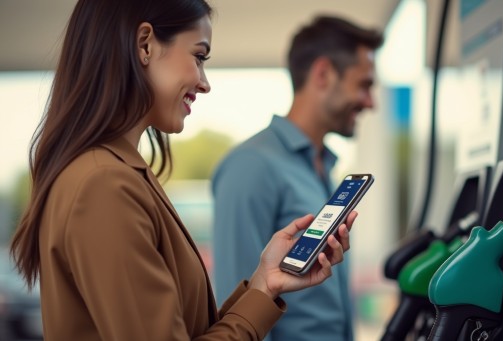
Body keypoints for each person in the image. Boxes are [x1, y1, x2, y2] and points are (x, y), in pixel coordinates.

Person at [8, 1, 357, 340]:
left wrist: (265, 284)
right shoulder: (104, 184)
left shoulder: (115, 173)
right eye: (199, 56)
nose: (205, 82)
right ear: (144, 44)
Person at [211, 15, 384, 341]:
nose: (370, 102)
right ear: (323, 74)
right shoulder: (251, 166)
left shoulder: (324, 166)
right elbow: (236, 307)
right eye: (364, 85)